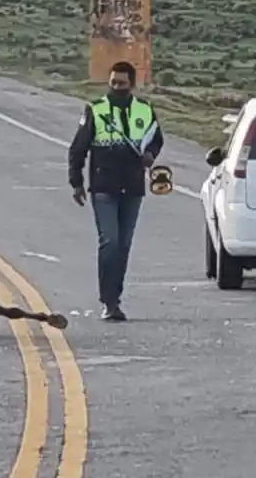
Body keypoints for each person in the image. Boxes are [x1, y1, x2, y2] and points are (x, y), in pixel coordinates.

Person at [68, 61, 164, 321]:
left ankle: (115, 298)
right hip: (104, 186)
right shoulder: (96, 110)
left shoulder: (144, 110)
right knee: (109, 243)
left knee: (123, 246)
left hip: (133, 188)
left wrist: (150, 155)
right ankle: (108, 301)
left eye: (121, 84)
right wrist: (76, 182)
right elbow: (78, 148)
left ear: (131, 84)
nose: (117, 88)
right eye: (113, 83)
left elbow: (156, 137)